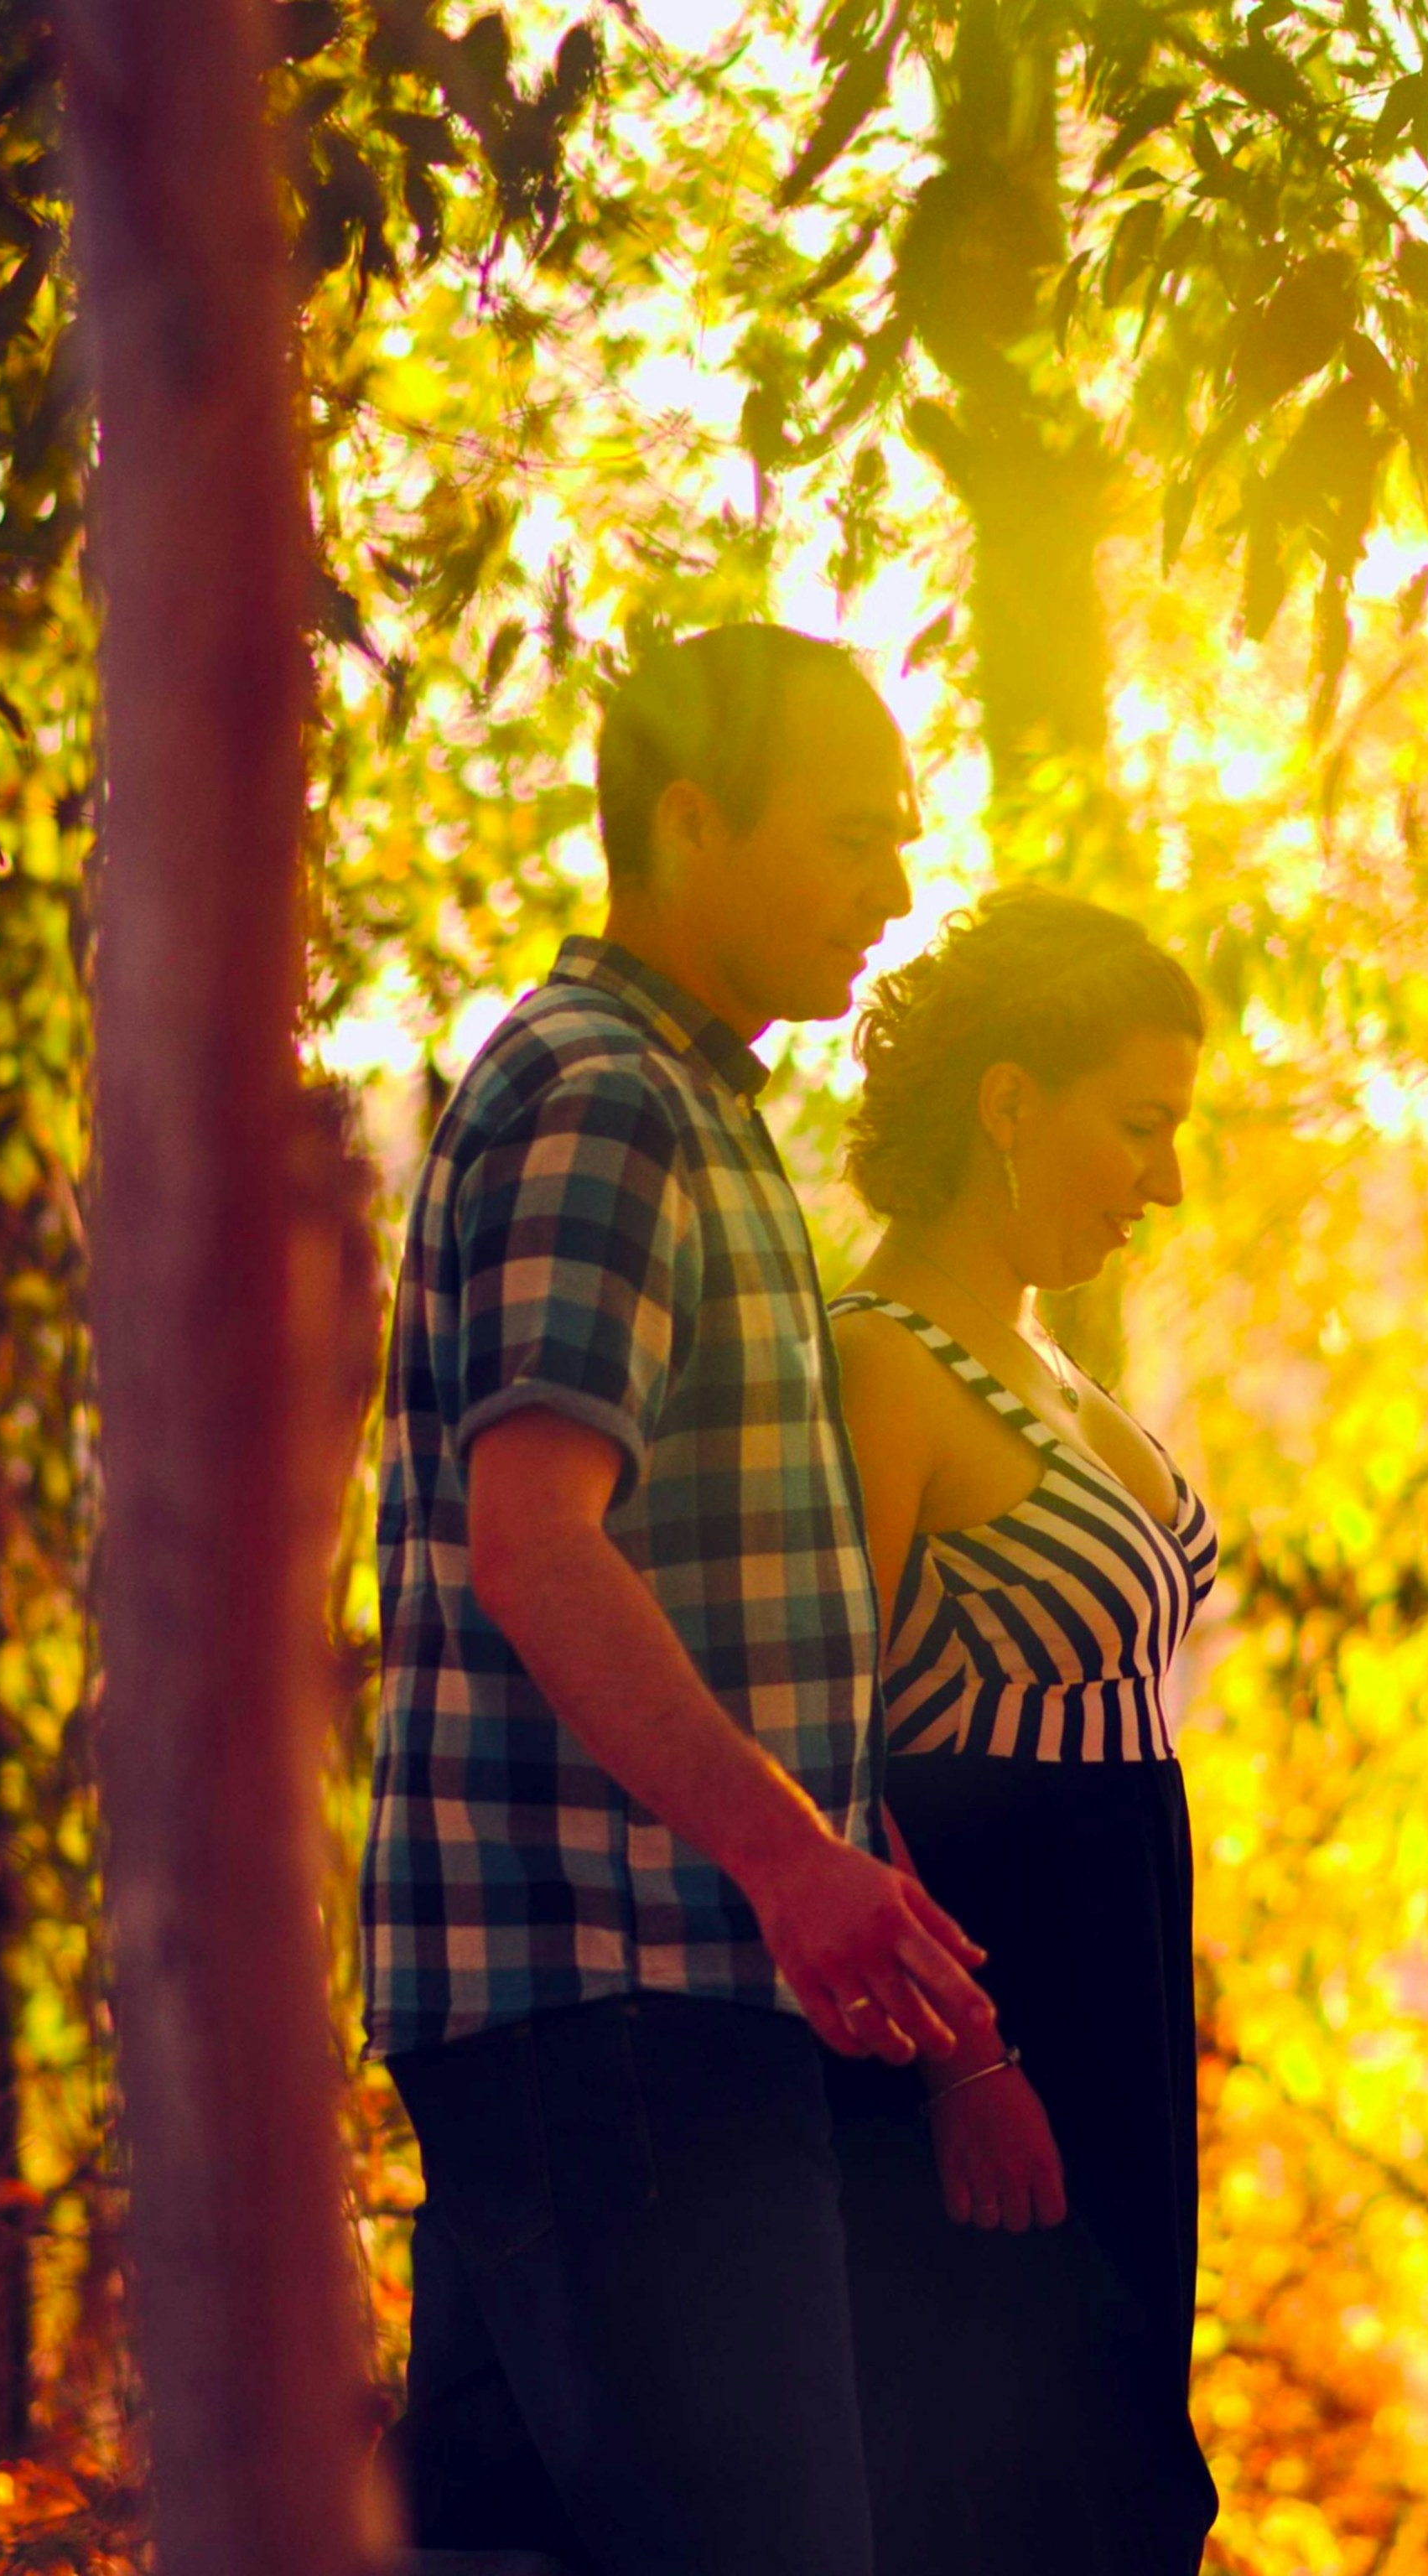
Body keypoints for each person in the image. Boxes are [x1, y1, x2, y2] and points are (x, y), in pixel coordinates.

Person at [365, 623, 1002, 2576]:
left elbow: (695, 1569)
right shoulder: (605, 1097)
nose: (894, 888)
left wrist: (842, 1840)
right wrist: (785, 1856)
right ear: (691, 822)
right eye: (850, 836)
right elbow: (539, 1540)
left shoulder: (691, 1100)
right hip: (619, 1999)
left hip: (599, 2003)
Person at [825, 887, 1223, 2575]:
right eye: (1138, 1126)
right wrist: (965, 2058)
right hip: (996, 2010)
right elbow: (821, 1753)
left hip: (1116, 1981)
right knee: (1029, 2490)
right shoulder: (881, 1363)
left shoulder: (1052, 1363)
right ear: (1006, 1101)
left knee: (1128, 2480)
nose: (1167, 1180)